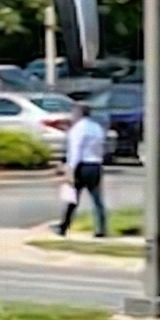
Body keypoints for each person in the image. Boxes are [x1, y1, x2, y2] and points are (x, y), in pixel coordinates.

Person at [56, 99, 109, 238]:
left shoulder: (77, 129)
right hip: (95, 164)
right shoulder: (97, 128)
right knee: (97, 199)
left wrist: (70, 169)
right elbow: (100, 147)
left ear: (78, 113)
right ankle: (101, 228)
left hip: (81, 166)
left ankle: (63, 227)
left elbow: (75, 150)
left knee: (72, 198)